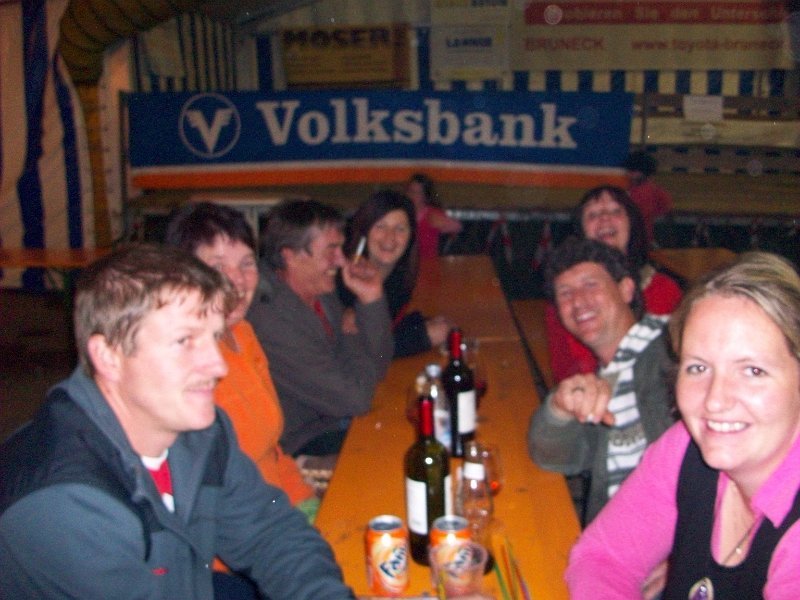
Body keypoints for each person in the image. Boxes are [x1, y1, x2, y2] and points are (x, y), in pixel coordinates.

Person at [0, 244, 354, 599]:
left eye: (215, 337)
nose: (219, 366)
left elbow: (272, 530)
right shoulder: (67, 504)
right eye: (185, 341)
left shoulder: (197, 429)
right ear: (108, 357)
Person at [566, 251, 800, 599]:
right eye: (698, 368)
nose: (715, 401)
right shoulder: (686, 447)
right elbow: (602, 558)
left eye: (753, 371)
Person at [528, 237, 675, 525]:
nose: (577, 301)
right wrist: (558, 410)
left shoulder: (674, 350)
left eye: (590, 285)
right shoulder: (603, 380)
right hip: (616, 534)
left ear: (626, 289)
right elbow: (553, 457)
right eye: (565, 293)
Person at [248, 199, 393, 457]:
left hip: (338, 423)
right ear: (290, 256)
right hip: (303, 445)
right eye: (331, 250)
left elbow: (381, 363)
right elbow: (355, 399)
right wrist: (351, 336)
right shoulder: (271, 320)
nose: (341, 260)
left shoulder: (320, 292)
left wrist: (372, 299)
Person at [544, 185, 682, 383]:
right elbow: (566, 372)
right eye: (593, 215)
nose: (604, 218)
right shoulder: (565, 301)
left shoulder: (664, 289)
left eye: (615, 211)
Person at [339, 190, 452, 357]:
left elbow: (387, 328)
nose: (390, 237)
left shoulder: (399, 277)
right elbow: (360, 351)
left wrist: (421, 323)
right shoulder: (342, 277)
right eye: (381, 226)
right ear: (365, 231)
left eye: (400, 229)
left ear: (411, 236)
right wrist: (423, 336)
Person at [405, 173, 463, 259]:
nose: (412, 196)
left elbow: (458, 227)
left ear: (425, 196)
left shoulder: (431, 214)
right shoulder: (401, 213)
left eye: (417, 193)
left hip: (429, 263)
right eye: (410, 191)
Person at [624, 150, 673, 244]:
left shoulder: (631, 192)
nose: (629, 174)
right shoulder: (659, 192)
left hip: (638, 239)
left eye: (633, 171)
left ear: (643, 173)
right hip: (643, 238)